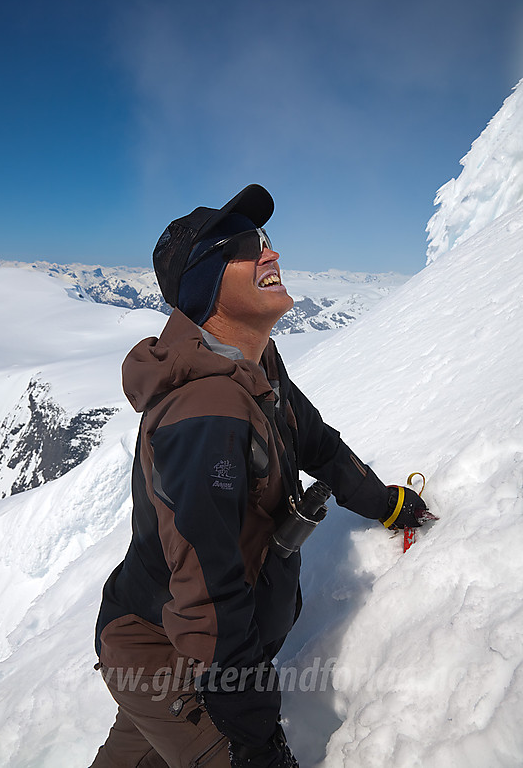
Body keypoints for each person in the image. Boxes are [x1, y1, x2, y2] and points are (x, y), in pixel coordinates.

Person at [90, 184, 430, 768]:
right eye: (247, 246)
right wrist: (255, 738)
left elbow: (316, 443)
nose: (271, 253)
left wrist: (386, 504)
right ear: (206, 286)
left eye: (266, 240)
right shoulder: (204, 415)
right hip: (172, 658)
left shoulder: (253, 365)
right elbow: (207, 596)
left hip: (173, 649)